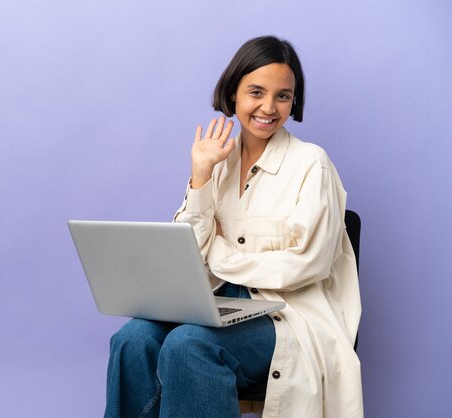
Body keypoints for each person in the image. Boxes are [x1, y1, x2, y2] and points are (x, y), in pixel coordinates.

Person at [104, 36, 363, 418]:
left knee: (189, 344)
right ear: (234, 93)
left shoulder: (312, 164)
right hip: (214, 304)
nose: (269, 107)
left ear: (295, 101)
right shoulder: (218, 162)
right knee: (132, 339)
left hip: (286, 317)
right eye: (256, 92)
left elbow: (307, 264)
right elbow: (186, 255)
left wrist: (220, 252)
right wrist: (200, 176)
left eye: (283, 96)